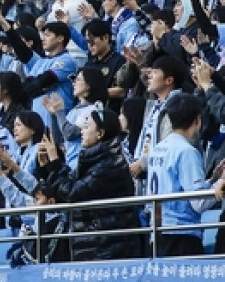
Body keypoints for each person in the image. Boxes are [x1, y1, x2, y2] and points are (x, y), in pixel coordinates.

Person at [37, 105, 142, 261]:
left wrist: (55, 163)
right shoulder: (93, 159)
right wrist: (49, 166)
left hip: (110, 248)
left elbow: (73, 193)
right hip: (96, 245)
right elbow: (66, 189)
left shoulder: (109, 163)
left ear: (100, 133)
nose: (82, 131)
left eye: (86, 127)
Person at [147, 92, 225, 256]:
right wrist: (220, 185)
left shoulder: (158, 149)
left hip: (158, 230)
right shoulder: (187, 151)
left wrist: (213, 179)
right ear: (198, 120)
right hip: (182, 234)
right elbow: (199, 203)